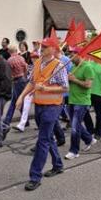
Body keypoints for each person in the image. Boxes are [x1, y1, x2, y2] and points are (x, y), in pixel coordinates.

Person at [15, 37, 68, 191]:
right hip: (39, 105)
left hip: (52, 107)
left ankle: (35, 176)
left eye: (45, 46)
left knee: (43, 140)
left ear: (53, 49)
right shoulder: (37, 63)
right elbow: (31, 83)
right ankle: (58, 165)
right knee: (48, 137)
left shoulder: (59, 66)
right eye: (41, 46)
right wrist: (21, 97)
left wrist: (47, 89)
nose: (42, 48)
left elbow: (65, 88)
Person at [64, 47, 96, 159]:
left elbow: (88, 85)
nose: (70, 56)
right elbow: (70, 81)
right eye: (69, 54)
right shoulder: (73, 66)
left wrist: (74, 80)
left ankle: (74, 151)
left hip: (82, 101)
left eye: (72, 54)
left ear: (78, 54)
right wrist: (67, 79)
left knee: (74, 127)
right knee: (75, 125)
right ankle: (89, 139)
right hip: (72, 99)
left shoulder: (87, 67)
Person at [2, 45, 29, 135]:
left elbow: (8, 73)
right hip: (22, 79)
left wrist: (10, 80)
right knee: (18, 100)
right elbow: (26, 67)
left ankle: (7, 121)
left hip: (16, 81)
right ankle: (24, 120)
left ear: (9, 52)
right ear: (16, 50)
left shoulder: (9, 60)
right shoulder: (21, 58)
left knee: (16, 101)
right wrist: (24, 76)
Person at [83, 60, 101, 141]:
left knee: (99, 114)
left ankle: (98, 133)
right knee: (84, 111)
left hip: (100, 93)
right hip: (88, 92)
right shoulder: (88, 63)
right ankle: (90, 129)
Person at [13, 52, 40, 132]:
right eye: (32, 57)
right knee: (26, 104)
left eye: (35, 57)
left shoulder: (41, 66)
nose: (33, 59)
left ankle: (41, 124)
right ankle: (21, 124)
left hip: (40, 89)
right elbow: (26, 76)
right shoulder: (30, 66)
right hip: (31, 87)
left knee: (39, 109)